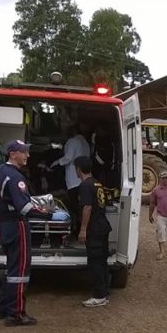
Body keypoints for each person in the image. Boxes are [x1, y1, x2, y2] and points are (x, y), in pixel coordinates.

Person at [0, 140, 51, 326]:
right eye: (24, 152)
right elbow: (24, 207)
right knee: (20, 271)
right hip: (17, 225)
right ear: (13, 154)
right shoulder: (16, 177)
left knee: (11, 269)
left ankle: (3, 308)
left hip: (4, 224)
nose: (27, 155)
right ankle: (16, 314)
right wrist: (47, 214)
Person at [74, 156, 113, 307]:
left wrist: (83, 229)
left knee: (95, 261)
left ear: (78, 168)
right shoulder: (97, 182)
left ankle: (99, 295)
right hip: (103, 226)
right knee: (102, 260)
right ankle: (104, 291)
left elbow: (87, 207)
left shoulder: (85, 185)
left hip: (94, 228)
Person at [51, 124, 91, 235]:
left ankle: (75, 230)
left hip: (74, 180)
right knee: (82, 206)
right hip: (84, 178)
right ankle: (81, 229)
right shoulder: (85, 143)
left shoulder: (73, 141)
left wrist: (56, 163)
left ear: (72, 131)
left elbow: (68, 157)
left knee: (74, 207)